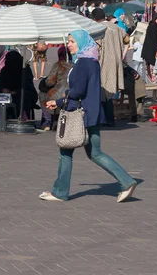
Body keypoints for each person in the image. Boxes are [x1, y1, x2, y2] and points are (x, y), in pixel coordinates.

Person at [39, 29, 137, 202]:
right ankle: (127, 181)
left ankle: (60, 192)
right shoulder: (92, 61)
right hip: (91, 114)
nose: (68, 45)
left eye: (72, 42)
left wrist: (59, 102)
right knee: (95, 153)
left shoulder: (84, 63)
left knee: (66, 152)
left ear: (82, 43)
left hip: (80, 114)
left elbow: (78, 91)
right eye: (68, 42)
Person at [91, 8, 126, 127]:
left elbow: (96, 47)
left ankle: (106, 118)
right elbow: (126, 39)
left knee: (104, 90)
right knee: (109, 91)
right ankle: (108, 118)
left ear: (94, 18)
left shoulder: (98, 29)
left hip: (104, 61)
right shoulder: (115, 27)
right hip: (116, 61)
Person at [0, 50, 37, 119]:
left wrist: (15, 91)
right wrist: (3, 89)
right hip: (6, 92)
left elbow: (27, 84)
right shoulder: (5, 69)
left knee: (22, 98)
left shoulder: (25, 69)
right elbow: (1, 82)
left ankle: (24, 117)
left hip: (23, 91)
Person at [39, 46, 73, 130]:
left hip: (59, 94)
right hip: (71, 93)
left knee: (42, 94)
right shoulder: (75, 65)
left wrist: (44, 81)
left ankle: (47, 121)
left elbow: (50, 82)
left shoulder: (59, 65)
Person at [141, 13, 157, 83]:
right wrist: (156, 50)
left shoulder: (153, 26)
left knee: (149, 67)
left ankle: (150, 80)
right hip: (150, 51)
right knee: (151, 67)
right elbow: (153, 40)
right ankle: (151, 80)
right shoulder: (153, 26)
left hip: (149, 50)